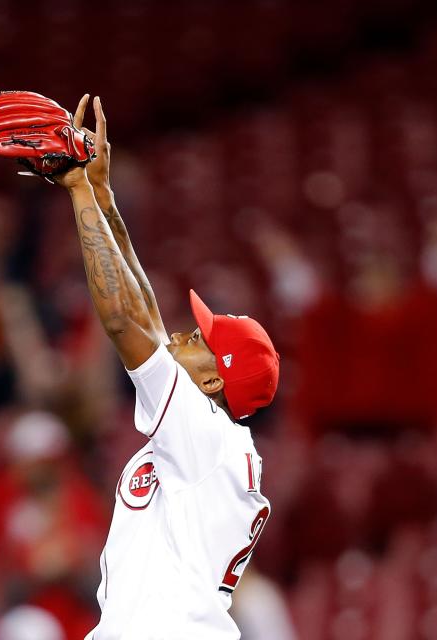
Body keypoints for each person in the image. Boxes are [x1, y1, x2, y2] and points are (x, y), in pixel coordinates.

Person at [48, 95, 281, 639]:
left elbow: (128, 325)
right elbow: (148, 319)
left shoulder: (206, 437)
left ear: (213, 380)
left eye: (200, 338)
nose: (181, 332)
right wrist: (102, 196)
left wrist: (78, 190)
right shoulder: (201, 438)